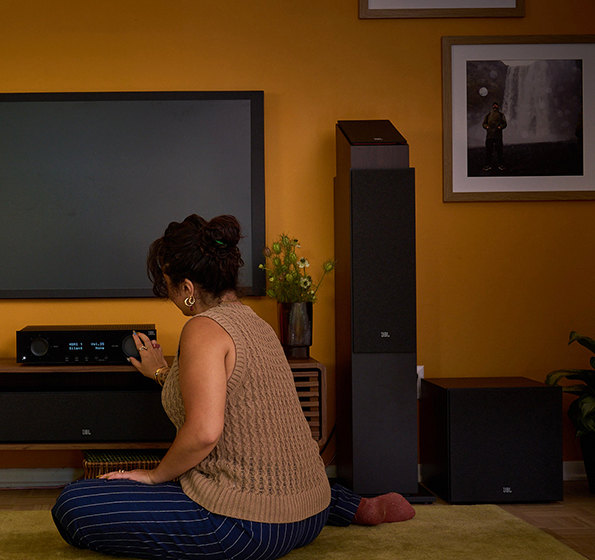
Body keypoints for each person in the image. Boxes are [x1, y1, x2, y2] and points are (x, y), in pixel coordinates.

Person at [51, 214, 415, 560]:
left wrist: (154, 475)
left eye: (168, 285)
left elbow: (204, 433)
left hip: (249, 528)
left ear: (188, 288)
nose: (169, 296)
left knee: (74, 503)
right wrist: (161, 371)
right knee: (229, 475)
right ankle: (354, 506)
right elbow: (222, 392)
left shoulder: (202, 329)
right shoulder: (256, 323)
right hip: (311, 510)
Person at [482, 101, 508, 171]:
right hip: (489, 136)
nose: (495, 106)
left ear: (498, 107)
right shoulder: (488, 115)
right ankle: (488, 165)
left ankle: (501, 165)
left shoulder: (501, 114)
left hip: (498, 136)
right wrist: (486, 127)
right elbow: (483, 123)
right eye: (494, 105)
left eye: (496, 105)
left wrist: (500, 127)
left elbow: (504, 124)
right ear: (492, 107)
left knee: (499, 151)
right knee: (488, 152)